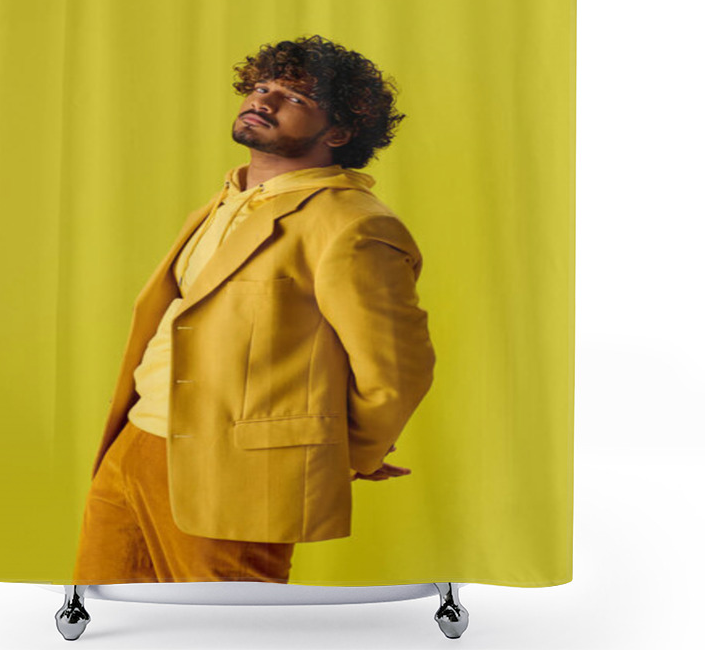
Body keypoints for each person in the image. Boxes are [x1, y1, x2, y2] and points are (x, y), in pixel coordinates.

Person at [72, 35, 436, 584]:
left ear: (338, 132)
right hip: (134, 446)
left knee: (231, 634)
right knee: (112, 623)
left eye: (295, 99)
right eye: (262, 87)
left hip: (239, 473)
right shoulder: (223, 202)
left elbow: (396, 369)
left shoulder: (353, 224)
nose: (263, 101)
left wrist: (345, 454)